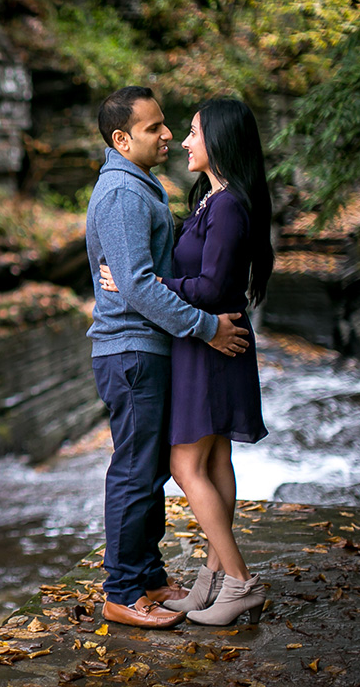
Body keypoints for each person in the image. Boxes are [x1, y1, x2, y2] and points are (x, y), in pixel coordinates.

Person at [100, 98, 273, 625]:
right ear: (121, 140)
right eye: (166, 128)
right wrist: (149, 288)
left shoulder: (224, 204)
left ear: (218, 141)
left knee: (185, 464)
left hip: (212, 344)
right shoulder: (206, 199)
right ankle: (215, 579)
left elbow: (213, 286)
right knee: (211, 462)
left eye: (193, 131)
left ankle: (236, 579)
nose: (181, 139)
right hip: (204, 343)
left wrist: (150, 286)